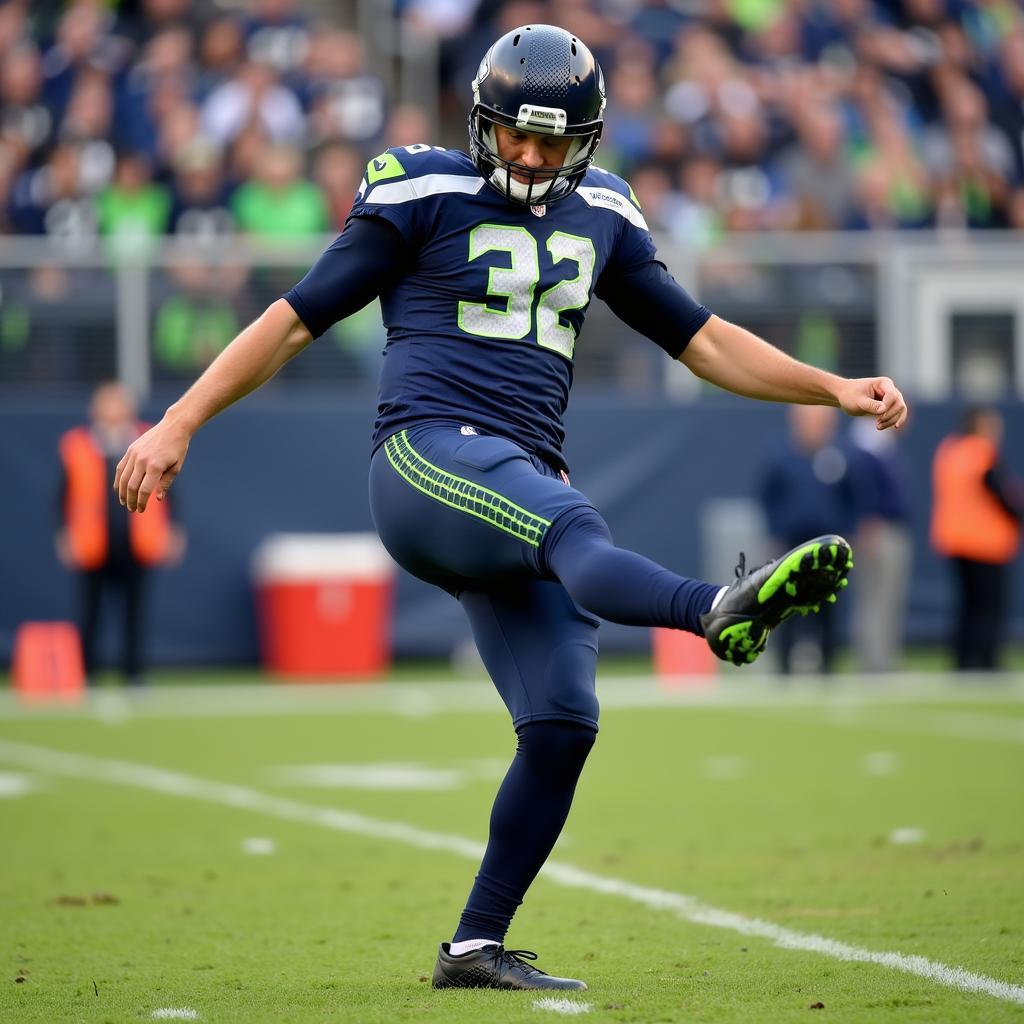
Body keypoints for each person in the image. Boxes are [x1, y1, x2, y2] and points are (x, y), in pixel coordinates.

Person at [114, 25, 907, 991]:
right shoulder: (422, 189)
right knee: (577, 529)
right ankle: (714, 610)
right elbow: (293, 320)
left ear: (590, 140)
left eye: (553, 142)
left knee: (565, 720)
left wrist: (832, 387)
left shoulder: (605, 211)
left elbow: (702, 342)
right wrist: (180, 421)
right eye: (516, 137)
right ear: (483, 124)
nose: (531, 158)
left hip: (519, 477)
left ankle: (473, 946)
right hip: (423, 459)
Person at [58, 381, 186, 685]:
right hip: (93, 543)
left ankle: (134, 673)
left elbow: (172, 491)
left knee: (135, 612)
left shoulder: (149, 440)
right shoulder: (77, 445)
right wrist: (64, 534)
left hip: (137, 542)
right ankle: (87, 673)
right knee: (90, 612)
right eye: (108, 402)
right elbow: (62, 495)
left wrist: (173, 530)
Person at [759, 405, 868, 675]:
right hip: (792, 545)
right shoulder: (781, 456)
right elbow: (766, 497)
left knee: (827, 606)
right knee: (786, 604)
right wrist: (776, 532)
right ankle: (784, 668)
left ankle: (827, 667)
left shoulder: (841, 455)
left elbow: (854, 497)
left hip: (828, 547)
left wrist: (851, 531)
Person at [931, 408, 1021, 671]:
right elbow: (1000, 493)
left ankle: (963, 659)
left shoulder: (949, 450)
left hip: (954, 540)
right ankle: (986, 660)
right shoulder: (981, 452)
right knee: (987, 606)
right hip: (985, 543)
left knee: (967, 605)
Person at [847, 416, 913, 673]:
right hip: (877, 533)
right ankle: (873, 662)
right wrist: (866, 522)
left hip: (890, 529)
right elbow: (862, 492)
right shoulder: (866, 448)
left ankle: (884, 658)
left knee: (888, 600)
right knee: (875, 599)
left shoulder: (883, 446)